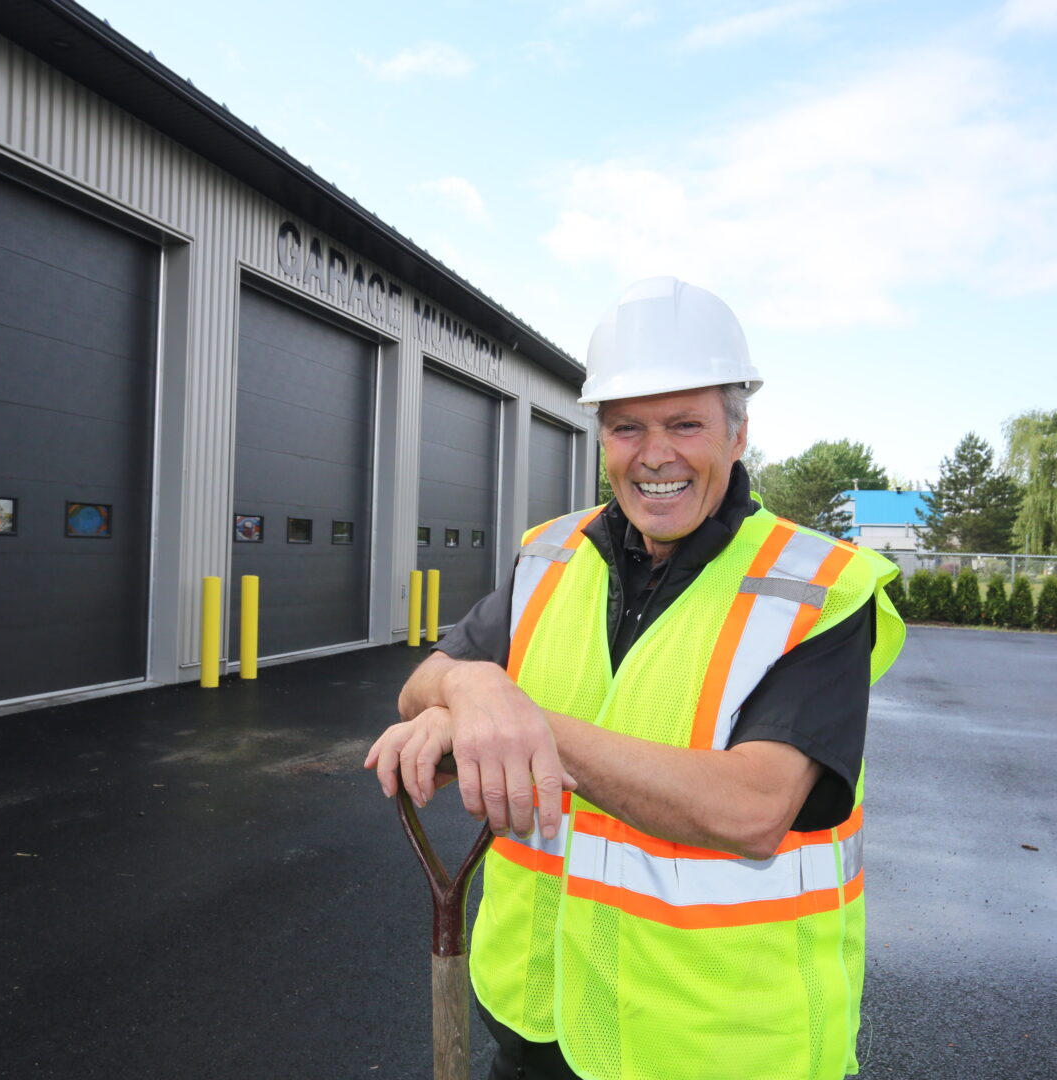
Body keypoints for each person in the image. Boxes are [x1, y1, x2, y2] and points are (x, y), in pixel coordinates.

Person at [366, 277, 906, 1080]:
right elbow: (425, 685)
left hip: (715, 1051)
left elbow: (754, 808)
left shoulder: (816, 587)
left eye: (685, 424)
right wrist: (477, 693)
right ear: (601, 438)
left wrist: (527, 725)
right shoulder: (552, 553)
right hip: (534, 1022)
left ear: (738, 433)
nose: (655, 455)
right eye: (627, 428)